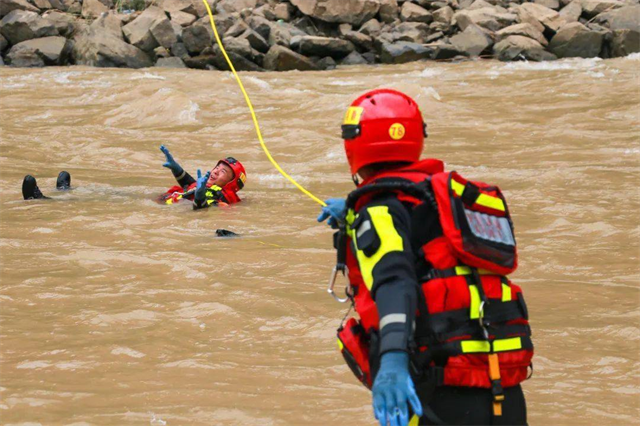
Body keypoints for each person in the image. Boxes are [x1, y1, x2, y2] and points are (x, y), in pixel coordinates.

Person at [318, 89, 533, 426]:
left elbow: (394, 281)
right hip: (501, 385)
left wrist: (392, 360)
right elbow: (429, 247)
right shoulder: (446, 199)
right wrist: (353, 214)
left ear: (353, 145)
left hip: (438, 391)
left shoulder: (378, 210)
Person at [158, 145, 246, 209]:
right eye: (217, 167)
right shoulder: (204, 186)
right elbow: (190, 184)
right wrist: (176, 168)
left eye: (223, 171)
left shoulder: (221, 199)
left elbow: (203, 209)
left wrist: (199, 196)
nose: (216, 171)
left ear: (230, 183)